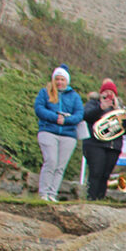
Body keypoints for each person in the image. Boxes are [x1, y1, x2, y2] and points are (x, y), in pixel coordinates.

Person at [33, 64, 84, 201]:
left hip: (68, 134)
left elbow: (79, 114)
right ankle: (43, 193)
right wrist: (55, 118)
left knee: (60, 166)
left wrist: (66, 120)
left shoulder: (74, 96)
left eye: (62, 79)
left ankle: (52, 193)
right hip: (48, 131)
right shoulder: (45, 92)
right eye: (57, 79)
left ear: (67, 81)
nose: (60, 82)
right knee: (51, 161)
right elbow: (39, 109)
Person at [81, 79, 126, 201]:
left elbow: (125, 129)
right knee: (96, 172)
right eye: (106, 92)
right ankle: (91, 197)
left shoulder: (120, 108)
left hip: (113, 146)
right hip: (95, 144)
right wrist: (101, 107)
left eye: (111, 92)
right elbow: (86, 115)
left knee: (105, 174)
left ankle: (100, 198)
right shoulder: (93, 103)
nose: (109, 95)